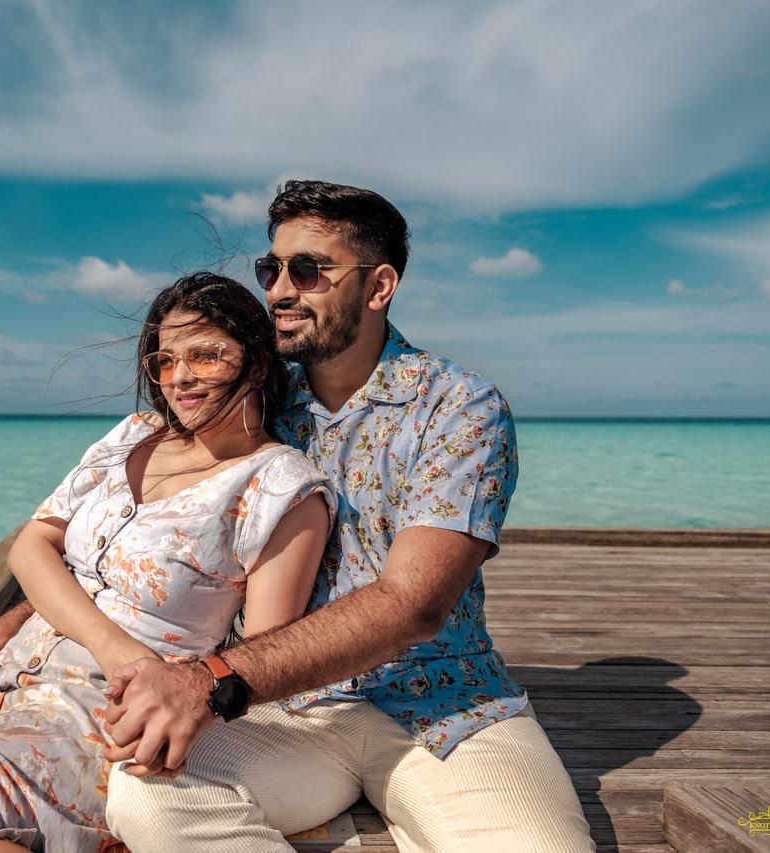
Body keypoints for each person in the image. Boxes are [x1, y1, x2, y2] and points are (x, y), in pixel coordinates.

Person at [101, 180, 597, 852]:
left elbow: (413, 604)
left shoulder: (456, 406)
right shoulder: (256, 398)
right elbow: (150, 520)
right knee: (147, 794)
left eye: (308, 270)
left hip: (441, 702)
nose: (278, 291)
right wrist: (29, 614)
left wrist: (210, 678)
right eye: (269, 269)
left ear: (379, 285)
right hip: (284, 710)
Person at [0, 272, 335, 853]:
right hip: (3, 681)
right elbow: (31, 544)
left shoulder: (281, 488)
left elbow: (263, 659)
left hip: (105, 710)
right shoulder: (134, 436)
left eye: (206, 355)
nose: (180, 378)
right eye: (164, 360)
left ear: (258, 360)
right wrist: (55, 626)